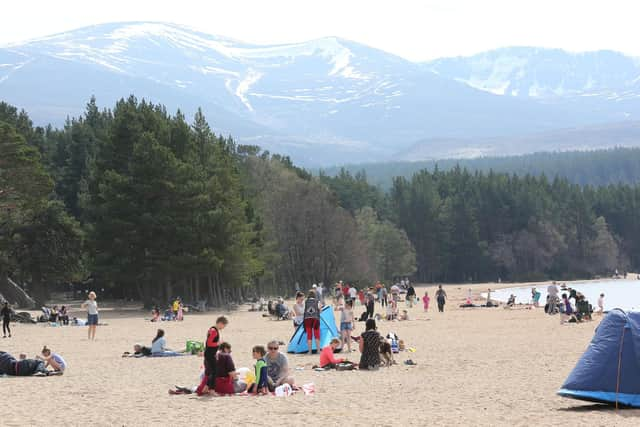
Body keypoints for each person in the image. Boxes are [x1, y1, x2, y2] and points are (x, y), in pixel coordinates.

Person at [197, 316, 228, 395]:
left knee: (211, 372)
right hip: (210, 354)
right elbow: (209, 343)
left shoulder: (212, 329)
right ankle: (212, 390)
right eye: (224, 326)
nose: (223, 328)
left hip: (210, 354)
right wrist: (218, 343)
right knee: (214, 372)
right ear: (221, 323)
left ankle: (206, 388)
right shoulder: (214, 331)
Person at [303, 290, 321, 354]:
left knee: (309, 335)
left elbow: (304, 310)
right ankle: (318, 350)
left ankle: (310, 351)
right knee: (316, 335)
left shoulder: (306, 301)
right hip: (315, 319)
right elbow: (319, 309)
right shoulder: (317, 301)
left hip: (307, 319)